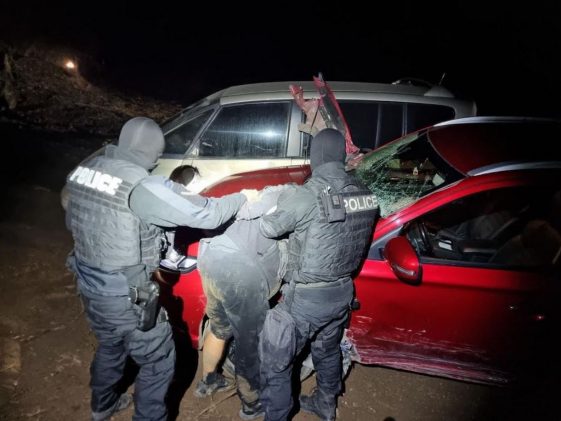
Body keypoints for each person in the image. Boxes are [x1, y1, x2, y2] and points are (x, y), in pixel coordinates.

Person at [64, 117, 247, 421]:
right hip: (123, 295)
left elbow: (71, 215)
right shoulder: (140, 187)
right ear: (153, 151)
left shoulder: (86, 170)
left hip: (87, 283)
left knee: (111, 345)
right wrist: (241, 198)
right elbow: (209, 214)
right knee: (159, 359)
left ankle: (102, 405)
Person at [258, 128, 379, 421]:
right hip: (342, 292)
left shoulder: (308, 194)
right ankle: (325, 404)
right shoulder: (366, 193)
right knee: (327, 350)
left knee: (276, 361)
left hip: (306, 300)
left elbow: (269, 227)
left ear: (316, 156)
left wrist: (284, 197)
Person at [194, 184, 295, 420]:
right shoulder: (287, 201)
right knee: (249, 343)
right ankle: (251, 403)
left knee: (219, 327)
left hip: (211, 259)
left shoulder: (262, 196)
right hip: (239, 274)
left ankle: (208, 381)